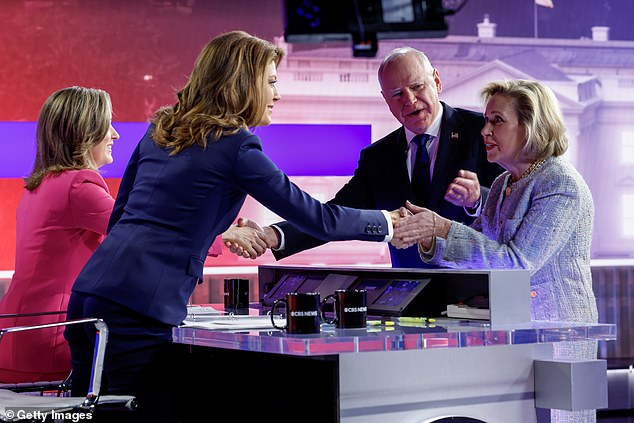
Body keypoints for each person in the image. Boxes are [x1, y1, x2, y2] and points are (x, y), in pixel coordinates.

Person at [64, 31, 398, 422]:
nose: (277, 93)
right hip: (139, 311)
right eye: (271, 82)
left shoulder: (160, 130)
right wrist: (386, 222)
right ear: (242, 83)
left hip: (90, 294)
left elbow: (120, 217)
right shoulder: (237, 146)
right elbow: (316, 217)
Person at [392, 79, 598, 422]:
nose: (485, 131)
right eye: (486, 121)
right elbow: (479, 247)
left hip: (559, 339)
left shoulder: (559, 183)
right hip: (515, 336)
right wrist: (429, 237)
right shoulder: (503, 183)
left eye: (497, 121)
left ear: (530, 125)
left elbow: (517, 263)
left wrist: (442, 227)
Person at [263, 46, 503, 268]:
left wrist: (477, 199)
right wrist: (275, 235)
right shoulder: (377, 157)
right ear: (385, 100)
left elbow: (517, 208)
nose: (409, 100)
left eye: (417, 86)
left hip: (477, 293)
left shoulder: (482, 132)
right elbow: (335, 216)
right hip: (410, 297)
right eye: (397, 94)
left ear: (437, 82)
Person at [0, 86, 119, 383]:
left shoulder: (43, 183)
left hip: (19, 335)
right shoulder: (79, 185)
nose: (115, 135)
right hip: (50, 339)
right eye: (107, 125)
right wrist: (223, 235)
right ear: (84, 132)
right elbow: (142, 233)